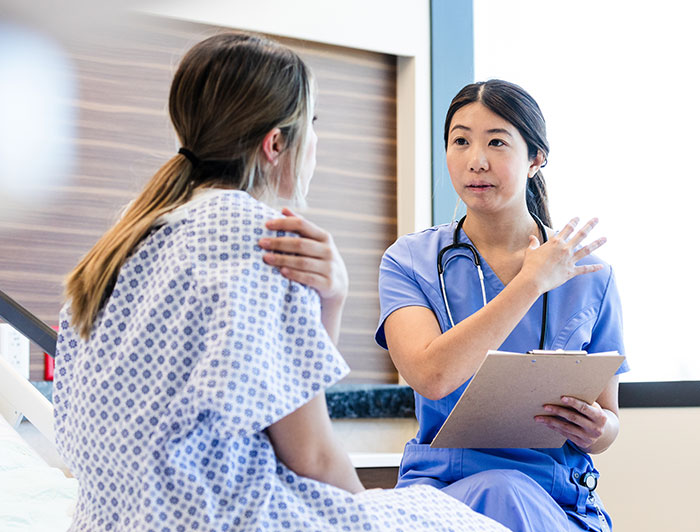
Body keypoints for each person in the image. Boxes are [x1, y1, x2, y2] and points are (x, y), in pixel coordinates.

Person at [52, 32, 509, 531]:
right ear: (275, 144)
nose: (315, 142)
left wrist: (328, 300)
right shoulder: (264, 241)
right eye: (310, 125)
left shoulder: (125, 244)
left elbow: (275, 391)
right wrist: (368, 516)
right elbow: (310, 453)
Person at [373, 79, 629, 532]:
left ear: (535, 158)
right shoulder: (409, 262)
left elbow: (608, 420)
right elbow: (431, 377)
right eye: (460, 141)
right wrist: (531, 283)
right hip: (443, 491)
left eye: (496, 142)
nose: (477, 160)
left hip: (557, 499)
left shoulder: (593, 277)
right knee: (499, 490)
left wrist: (598, 430)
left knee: (508, 491)